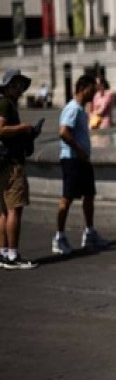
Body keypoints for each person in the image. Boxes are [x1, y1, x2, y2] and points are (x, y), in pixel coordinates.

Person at [53, 74, 110, 255]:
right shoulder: (73, 109)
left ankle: (89, 232)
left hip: (81, 160)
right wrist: (79, 150)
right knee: (67, 197)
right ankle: (59, 236)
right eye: (91, 91)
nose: (93, 95)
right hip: (72, 159)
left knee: (89, 195)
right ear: (83, 89)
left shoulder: (80, 109)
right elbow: (63, 132)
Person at [0, 69, 42, 269]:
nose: (21, 90)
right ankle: (13, 256)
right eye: (17, 85)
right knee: (14, 210)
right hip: (11, 164)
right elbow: (0, 130)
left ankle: (3, 253)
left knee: (3, 212)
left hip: (3, 163)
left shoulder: (5, 103)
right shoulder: (5, 104)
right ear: (9, 86)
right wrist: (24, 128)